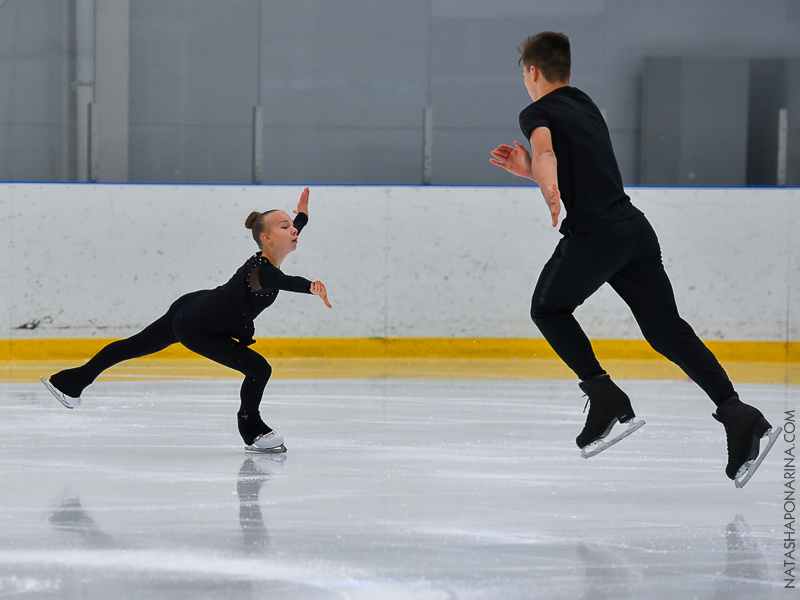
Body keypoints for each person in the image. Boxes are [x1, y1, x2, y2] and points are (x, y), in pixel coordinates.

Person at [489, 31, 779, 486]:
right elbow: (570, 162)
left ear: (532, 72)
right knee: (667, 331)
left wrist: (546, 184)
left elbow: (545, 150)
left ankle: (605, 395)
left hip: (597, 234)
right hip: (634, 231)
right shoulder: (584, 103)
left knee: (547, 309)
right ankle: (737, 412)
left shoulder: (536, 111)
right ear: (569, 71)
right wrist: (533, 173)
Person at [40, 187, 331, 453]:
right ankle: (252, 430)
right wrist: (311, 287)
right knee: (259, 369)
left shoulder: (267, 257)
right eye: (285, 226)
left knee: (133, 346)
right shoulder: (263, 272)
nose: (294, 230)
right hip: (199, 325)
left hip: (194, 307)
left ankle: (70, 382)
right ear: (266, 238)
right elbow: (287, 281)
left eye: (292, 225)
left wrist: (302, 215)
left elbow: (294, 231)